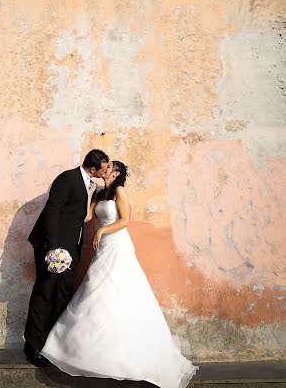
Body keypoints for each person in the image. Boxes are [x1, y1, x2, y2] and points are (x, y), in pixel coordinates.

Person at [41, 161, 198, 388]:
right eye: (105, 167)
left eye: (110, 167)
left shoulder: (120, 192)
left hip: (117, 244)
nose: (105, 169)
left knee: (118, 288)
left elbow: (125, 220)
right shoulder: (101, 193)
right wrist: (89, 196)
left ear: (116, 173)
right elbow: (87, 217)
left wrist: (103, 229)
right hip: (102, 246)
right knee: (95, 286)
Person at [24, 149, 110, 367]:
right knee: (45, 292)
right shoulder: (67, 178)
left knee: (62, 293)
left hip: (71, 249)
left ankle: (52, 346)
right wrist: (53, 249)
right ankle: (33, 346)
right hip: (54, 249)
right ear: (93, 168)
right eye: (103, 168)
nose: (105, 171)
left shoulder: (88, 183)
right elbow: (53, 210)